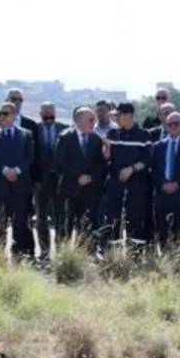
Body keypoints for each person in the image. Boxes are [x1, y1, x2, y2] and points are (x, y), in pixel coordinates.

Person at [0, 101, 35, 261]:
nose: (2, 117)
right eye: (0, 114)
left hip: (20, 187)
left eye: (5, 114)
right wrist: (5, 170)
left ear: (14, 116)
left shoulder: (26, 134)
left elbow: (30, 157)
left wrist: (17, 170)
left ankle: (18, 255)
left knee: (20, 223)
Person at [102, 101, 153, 255]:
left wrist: (131, 169)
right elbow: (107, 158)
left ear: (128, 115)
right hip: (116, 184)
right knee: (114, 219)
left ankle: (135, 256)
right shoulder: (112, 134)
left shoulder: (144, 135)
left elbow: (148, 160)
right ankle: (115, 255)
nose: (115, 119)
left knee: (136, 219)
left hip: (137, 184)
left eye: (118, 115)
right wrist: (106, 151)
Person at [54, 106, 105, 250]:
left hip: (89, 190)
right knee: (65, 224)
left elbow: (99, 164)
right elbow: (60, 163)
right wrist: (78, 177)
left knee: (87, 224)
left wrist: (90, 177)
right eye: (91, 119)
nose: (94, 122)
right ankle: (63, 255)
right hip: (69, 189)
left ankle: (85, 255)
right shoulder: (65, 137)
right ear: (79, 120)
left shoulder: (96, 139)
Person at [151, 112, 180, 256]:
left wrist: (178, 184)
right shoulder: (158, 146)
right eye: (169, 124)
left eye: (176, 124)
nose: (172, 127)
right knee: (162, 228)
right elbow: (153, 170)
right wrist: (162, 184)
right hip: (162, 194)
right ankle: (166, 257)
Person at [34, 101, 68, 261]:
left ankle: (61, 250)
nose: (48, 119)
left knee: (61, 216)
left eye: (51, 115)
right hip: (40, 181)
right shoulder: (34, 130)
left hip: (60, 181)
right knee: (41, 218)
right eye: (45, 115)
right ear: (40, 114)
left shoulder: (65, 130)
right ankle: (44, 250)